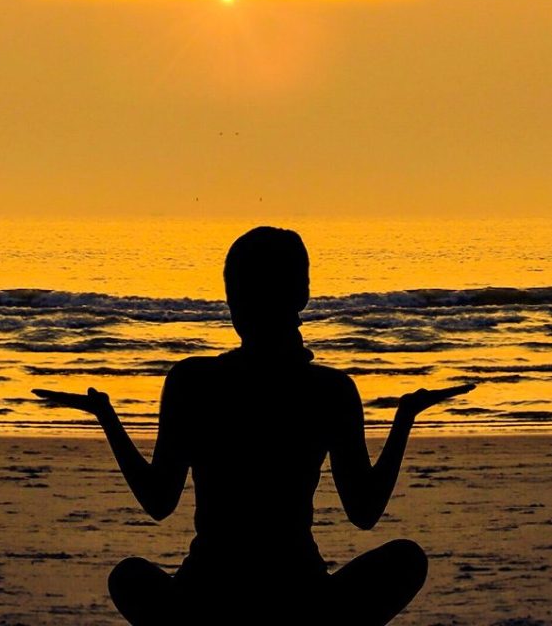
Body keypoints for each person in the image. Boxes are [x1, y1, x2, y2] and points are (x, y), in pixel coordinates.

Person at [33, 225, 474, 625]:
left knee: (129, 577)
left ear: (235, 301)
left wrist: (108, 419)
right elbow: (364, 512)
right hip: (302, 596)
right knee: (406, 560)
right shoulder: (330, 389)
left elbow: (158, 502)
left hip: (206, 595)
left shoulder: (193, 381)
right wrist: (403, 420)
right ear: (302, 295)